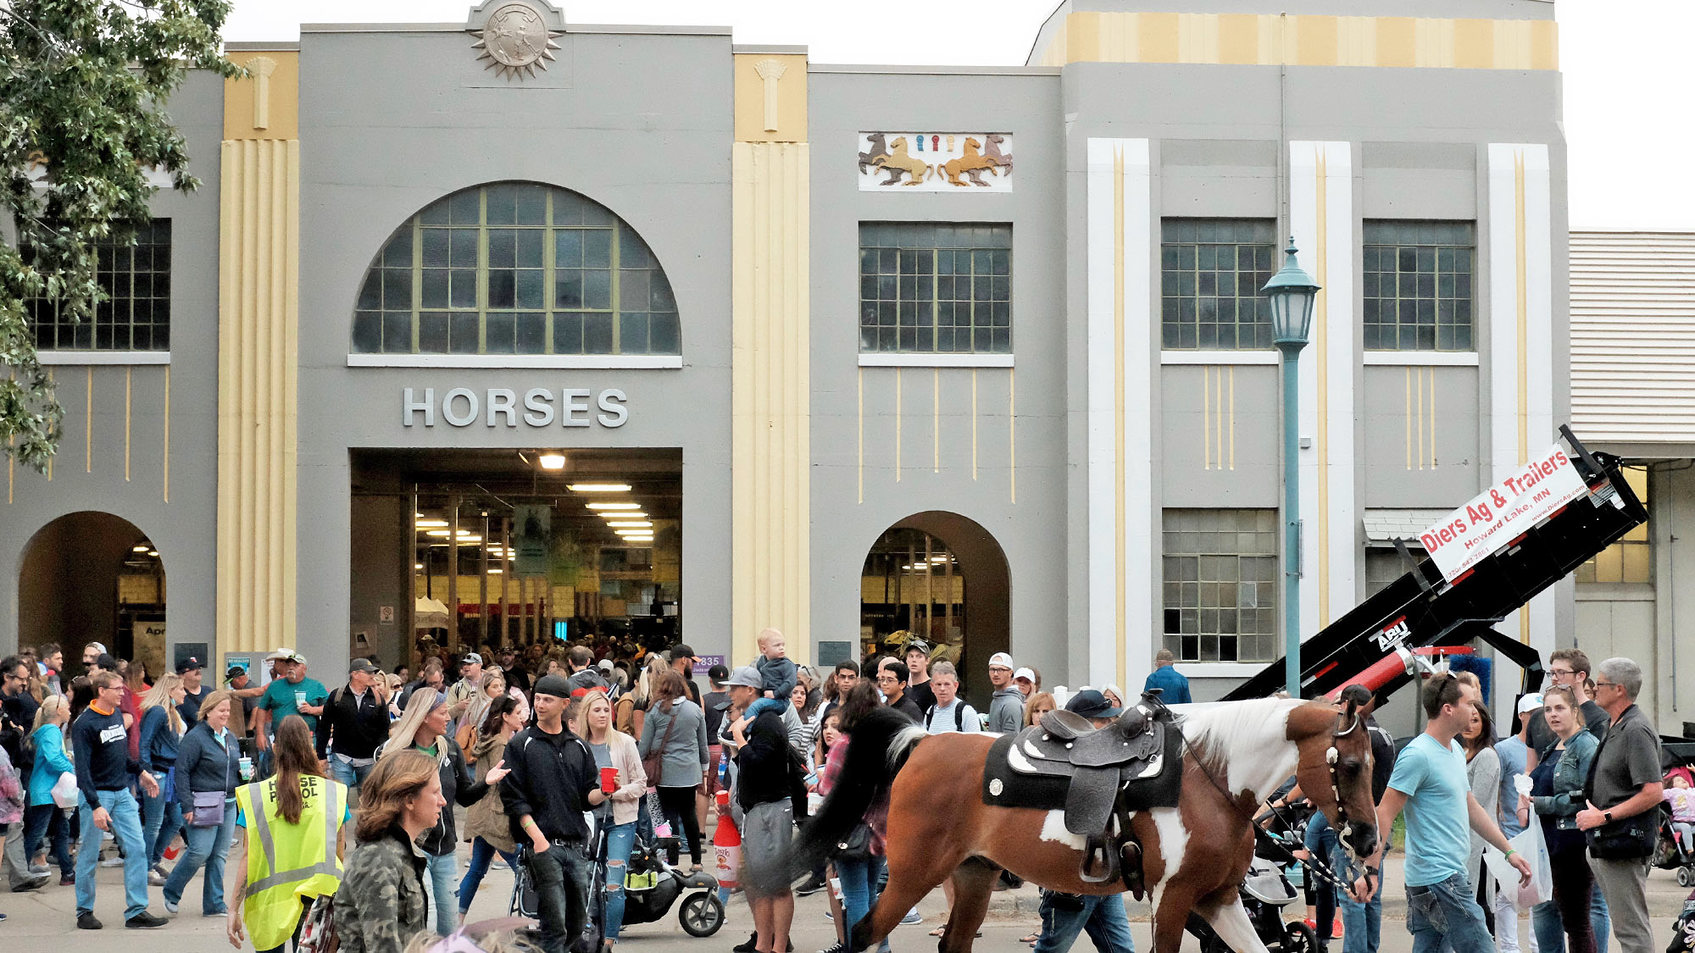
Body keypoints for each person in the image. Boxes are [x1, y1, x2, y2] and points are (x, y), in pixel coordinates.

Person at [1348, 674, 1530, 953]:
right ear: (1448, 708)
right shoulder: (1417, 755)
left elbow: (1471, 807)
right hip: (1440, 880)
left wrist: (1509, 852)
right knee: (1483, 948)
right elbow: (1384, 813)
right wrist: (1370, 870)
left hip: (1444, 876)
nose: (1475, 710)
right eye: (1469, 703)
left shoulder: (1455, 748)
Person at [382, 688, 507, 935]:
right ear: (424, 717)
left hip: (446, 850)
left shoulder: (449, 748)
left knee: (449, 927)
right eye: (442, 712)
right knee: (426, 924)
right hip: (412, 850)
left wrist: (487, 782)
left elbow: (464, 796)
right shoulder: (399, 753)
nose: (449, 717)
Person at [499, 673, 609, 953]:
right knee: (554, 924)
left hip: (575, 846)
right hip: (543, 845)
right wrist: (537, 839)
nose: (540, 705)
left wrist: (605, 792)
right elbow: (513, 799)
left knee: (577, 922)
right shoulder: (521, 744)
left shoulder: (578, 747)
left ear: (564, 704)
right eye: (537, 699)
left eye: (547, 700)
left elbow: (588, 797)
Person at [226, 715, 348, 953]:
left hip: (271, 902)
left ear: (275, 748)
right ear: (310, 747)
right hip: (319, 898)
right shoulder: (333, 793)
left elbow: (248, 858)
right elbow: (339, 854)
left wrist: (233, 909)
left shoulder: (257, 797)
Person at [1029, 689, 1137, 953]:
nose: (1112, 723)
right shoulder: (1060, 767)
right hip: (1072, 881)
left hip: (1106, 875)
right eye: (1105, 719)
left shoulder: (1109, 763)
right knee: (1051, 950)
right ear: (1084, 723)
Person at [1575, 657, 1663, 953]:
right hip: (1606, 843)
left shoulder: (1636, 731)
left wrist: (1605, 816)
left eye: (1598, 684)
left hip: (1623, 843)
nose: (1593, 690)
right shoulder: (1616, 725)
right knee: (1625, 926)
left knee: (1631, 930)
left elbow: (1653, 792)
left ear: (1619, 690)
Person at [72, 669, 166, 929]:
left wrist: (141, 772)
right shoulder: (84, 724)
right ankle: (84, 911)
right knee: (89, 855)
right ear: (102, 691)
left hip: (122, 793)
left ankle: (136, 911)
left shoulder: (115, 715)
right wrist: (95, 806)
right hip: (97, 795)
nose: (122, 692)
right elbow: (82, 771)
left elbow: (119, 755)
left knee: (136, 849)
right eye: (117, 688)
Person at [725, 665, 805, 953]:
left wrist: (739, 742)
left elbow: (760, 764)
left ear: (750, 690)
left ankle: (778, 946)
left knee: (776, 884)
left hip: (771, 808)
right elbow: (751, 766)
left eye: (735, 687)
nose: (730, 692)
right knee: (759, 882)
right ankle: (763, 943)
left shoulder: (768, 721)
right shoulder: (758, 720)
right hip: (758, 808)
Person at [1517, 685, 1601, 953]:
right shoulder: (1554, 745)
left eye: (1560, 708)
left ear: (1575, 711)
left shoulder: (1586, 745)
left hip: (1573, 842)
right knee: (1549, 911)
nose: (1553, 715)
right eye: (1548, 709)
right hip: (1548, 842)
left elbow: (1587, 796)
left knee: (1576, 922)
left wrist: (1542, 803)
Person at [334, 749, 441, 953]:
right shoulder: (379, 858)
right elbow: (382, 947)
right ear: (409, 800)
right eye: (435, 792)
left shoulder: (402, 848)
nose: (442, 801)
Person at [817, 680, 894, 953]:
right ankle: (882, 949)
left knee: (856, 895)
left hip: (850, 831)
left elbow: (827, 788)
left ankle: (860, 950)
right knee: (873, 893)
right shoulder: (888, 745)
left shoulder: (844, 744)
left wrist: (816, 782)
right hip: (882, 830)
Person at [576, 689, 648, 951]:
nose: (603, 714)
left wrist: (616, 793)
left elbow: (641, 783)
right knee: (585, 879)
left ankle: (609, 941)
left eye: (607, 709)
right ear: (586, 714)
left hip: (620, 821)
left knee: (614, 883)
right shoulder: (577, 745)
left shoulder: (624, 742)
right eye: (597, 710)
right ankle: (588, 931)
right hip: (586, 822)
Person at [163, 689, 242, 916]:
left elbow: (233, 767)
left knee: (219, 855)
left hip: (228, 802)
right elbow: (182, 772)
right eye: (221, 710)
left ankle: (214, 904)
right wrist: (187, 805)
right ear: (207, 711)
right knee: (199, 851)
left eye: (228, 710)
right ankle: (172, 890)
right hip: (203, 801)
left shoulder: (229, 736)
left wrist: (246, 773)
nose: (226, 714)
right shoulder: (195, 738)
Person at [457, 695, 523, 922]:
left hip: (482, 812)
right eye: (517, 713)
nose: (521, 716)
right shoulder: (502, 745)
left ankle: (457, 919)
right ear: (505, 717)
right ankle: (532, 917)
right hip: (496, 815)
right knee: (523, 867)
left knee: (476, 870)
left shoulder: (490, 740)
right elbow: (506, 782)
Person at [638, 669, 709, 868]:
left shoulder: (655, 710)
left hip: (665, 772)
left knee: (669, 816)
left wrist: (640, 762)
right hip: (689, 770)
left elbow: (645, 745)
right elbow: (702, 744)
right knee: (689, 814)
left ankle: (673, 858)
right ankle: (696, 860)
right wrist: (704, 769)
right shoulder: (694, 710)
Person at [1492, 693, 1540, 953]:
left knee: (1539, 894)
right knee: (1508, 895)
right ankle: (1509, 948)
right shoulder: (1504, 749)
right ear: (1521, 716)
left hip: (1540, 833)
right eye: (1533, 714)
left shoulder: (1552, 745)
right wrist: (1497, 827)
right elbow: (1494, 790)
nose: (1538, 719)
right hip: (1511, 832)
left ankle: (1536, 947)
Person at [313, 658, 392, 805]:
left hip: (369, 759)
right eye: (368, 672)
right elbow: (324, 727)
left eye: (373, 673)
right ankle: (339, 828)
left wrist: (382, 756)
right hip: (342, 757)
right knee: (338, 803)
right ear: (354, 674)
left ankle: (366, 828)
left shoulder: (377, 698)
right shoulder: (338, 696)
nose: (372, 676)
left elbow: (384, 729)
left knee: (369, 804)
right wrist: (321, 755)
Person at [138, 671, 188, 882]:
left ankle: (152, 861)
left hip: (169, 772)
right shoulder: (159, 712)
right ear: (170, 690)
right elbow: (144, 743)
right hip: (158, 772)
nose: (184, 693)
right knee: (155, 822)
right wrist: (147, 772)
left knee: (175, 819)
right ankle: (146, 866)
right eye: (181, 689)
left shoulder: (170, 711)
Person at [24, 694, 76, 886]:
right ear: (58, 711)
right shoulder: (51, 731)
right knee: (39, 832)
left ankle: (68, 872)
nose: (70, 711)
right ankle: (21, 870)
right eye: (67, 708)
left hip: (48, 791)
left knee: (60, 830)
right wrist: (70, 768)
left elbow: (52, 756)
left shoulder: (47, 731)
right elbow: (53, 758)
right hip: (48, 791)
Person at [1458, 700, 1500, 931]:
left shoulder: (1486, 756)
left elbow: (1477, 802)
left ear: (1485, 724)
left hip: (1481, 843)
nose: (1469, 725)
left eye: (1475, 720)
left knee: (1481, 904)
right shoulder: (1461, 751)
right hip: (1463, 840)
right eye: (1466, 719)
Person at [253, 652, 328, 776]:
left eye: (295, 665)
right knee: (281, 774)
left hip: (308, 740)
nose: (291, 667)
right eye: (289, 665)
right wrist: (260, 734)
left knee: (307, 773)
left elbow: (329, 708)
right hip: (281, 740)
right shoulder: (275, 686)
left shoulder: (316, 686)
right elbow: (262, 709)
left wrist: (312, 710)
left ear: (304, 668)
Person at [923, 662, 981, 733]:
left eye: (947, 684)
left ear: (955, 686)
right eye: (938, 684)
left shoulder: (966, 713)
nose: (942, 688)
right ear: (932, 687)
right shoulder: (930, 713)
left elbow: (975, 742)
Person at [754, 628, 798, 709]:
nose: (781, 648)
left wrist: (775, 693)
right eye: (777, 645)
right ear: (764, 649)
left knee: (755, 707)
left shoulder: (787, 664)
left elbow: (790, 682)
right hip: (765, 696)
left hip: (780, 700)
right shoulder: (761, 662)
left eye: (783, 645)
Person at [986, 652, 1022, 733]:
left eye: (1000, 670)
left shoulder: (1011, 704)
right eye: (992, 669)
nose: (995, 674)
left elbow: (1009, 739)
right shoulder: (997, 699)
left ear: (1010, 673)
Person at [446, 653, 484, 724]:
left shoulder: (490, 684)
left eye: (469, 664)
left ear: (479, 665)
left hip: (486, 732)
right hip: (464, 733)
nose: (465, 667)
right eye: (464, 664)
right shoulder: (456, 687)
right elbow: (446, 714)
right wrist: (457, 707)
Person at [177, 657, 210, 727]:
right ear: (182, 675)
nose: (197, 670)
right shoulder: (178, 696)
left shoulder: (209, 691)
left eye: (199, 668)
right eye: (192, 669)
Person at [903, 640, 935, 714]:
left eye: (919, 656)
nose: (914, 660)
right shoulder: (903, 688)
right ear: (906, 660)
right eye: (911, 656)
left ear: (927, 660)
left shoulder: (932, 688)